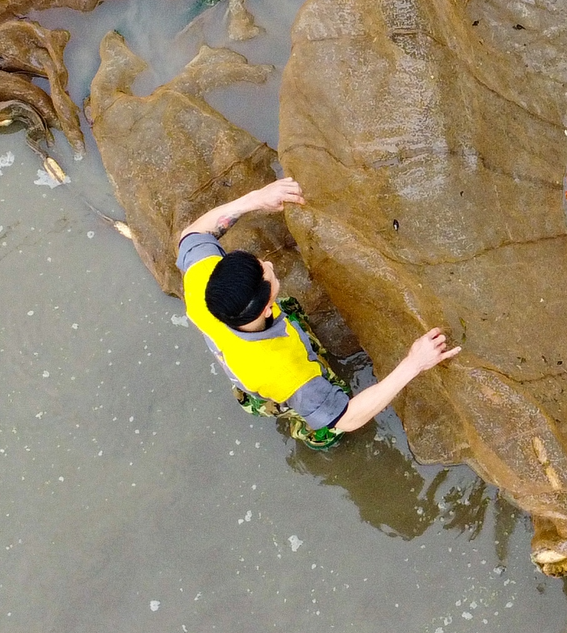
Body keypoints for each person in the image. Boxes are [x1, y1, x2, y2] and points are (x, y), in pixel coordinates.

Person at [174, 176, 460, 449]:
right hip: (268, 380)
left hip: (236, 352)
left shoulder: (202, 279)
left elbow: (192, 235)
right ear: (266, 305)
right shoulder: (288, 374)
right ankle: (312, 435)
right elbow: (348, 418)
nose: (270, 266)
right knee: (324, 427)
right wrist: (414, 363)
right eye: (267, 275)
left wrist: (256, 199)